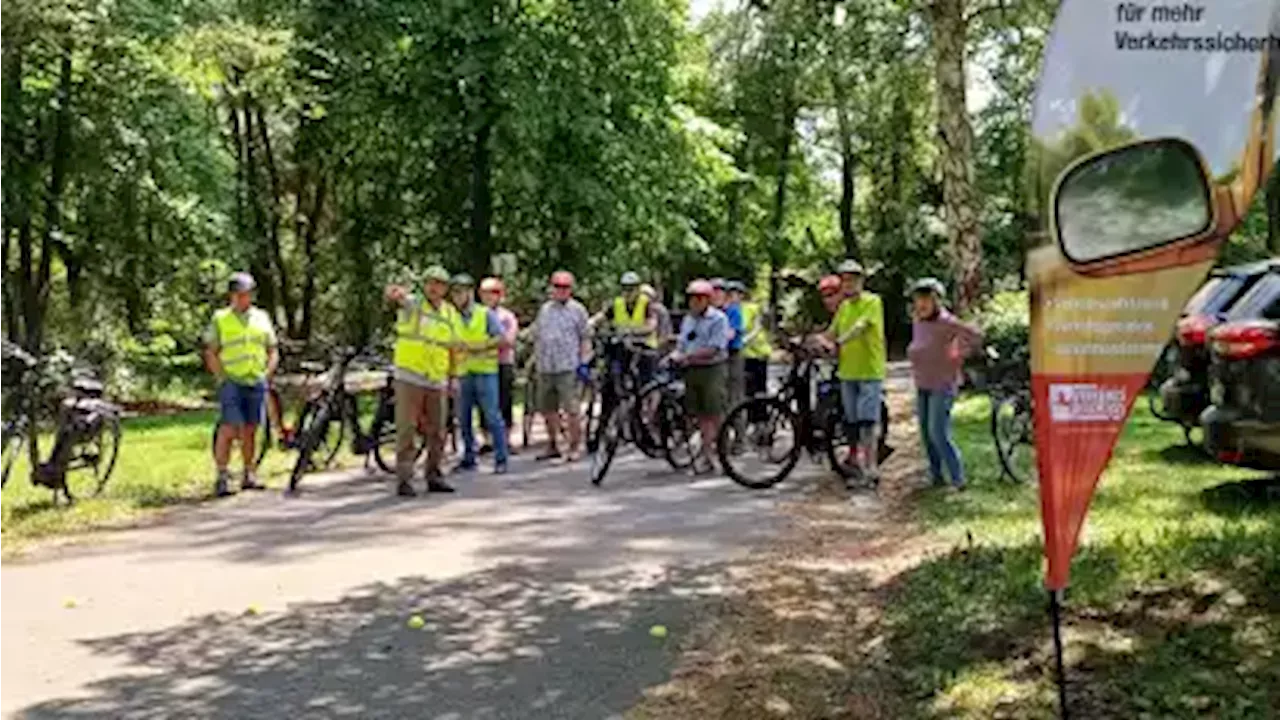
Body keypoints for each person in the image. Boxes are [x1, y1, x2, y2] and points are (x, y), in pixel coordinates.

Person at [385, 266, 458, 497]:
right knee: (407, 428)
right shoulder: (414, 305)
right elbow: (396, 297)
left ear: (445, 289)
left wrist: (453, 377)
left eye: (438, 284)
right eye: (430, 283)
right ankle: (404, 478)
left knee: (437, 430)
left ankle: (434, 474)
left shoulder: (449, 313)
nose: (434, 288)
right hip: (410, 375)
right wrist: (395, 294)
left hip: (436, 378)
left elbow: (452, 348)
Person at [204, 272, 279, 497]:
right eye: (239, 294)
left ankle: (249, 473)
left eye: (247, 294)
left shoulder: (262, 317)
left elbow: (272, 348)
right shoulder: (221, 318)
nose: (243, 298)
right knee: (229, 428)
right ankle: (222, 475)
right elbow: (211, 351)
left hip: (255, 379)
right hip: (232, 380)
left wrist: (267, 372)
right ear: (232, 295)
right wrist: (222, 377)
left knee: (250, 429)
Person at [907, 278, 982, 490]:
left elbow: (974, 336)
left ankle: (958, 479)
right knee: (925, 434)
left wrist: (959, 354)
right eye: (918, 299)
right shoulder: (918, 321)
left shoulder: (947, 322)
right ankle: (936, 477)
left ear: (937, 301)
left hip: (943, 384)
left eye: (926, 299)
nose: (921, 304)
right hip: (922, 383)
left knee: (938, 432)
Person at [825, 259, 887, 485]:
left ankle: (871, 470)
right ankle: (858, 467)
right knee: (851, 422)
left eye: (852, 279)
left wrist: (840, 341)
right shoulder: (843, 307)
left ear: (861, 280)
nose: (848, 284)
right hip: (847, 372)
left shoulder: (873, 301)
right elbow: (831, 332)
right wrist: (817, 342)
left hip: (869, 370)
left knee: (867, 421)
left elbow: (861, 327)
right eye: (844, 280)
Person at [449, 274, 510, 475]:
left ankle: (501, 458)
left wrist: (479, 346)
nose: (457, 296)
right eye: (454, 292)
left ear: (469, 293)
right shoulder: (451, 316)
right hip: (463, 372)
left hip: (485, 371)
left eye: (461, 292)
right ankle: (469, 457)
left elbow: (501, 339)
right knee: (464, 418)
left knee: (492, 416)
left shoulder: (485, 314)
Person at [670, 279, 731, 474]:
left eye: (698, 298)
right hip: (691, 370)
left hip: (712, 369)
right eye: (691, 298)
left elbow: (715, 348)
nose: (693, 302)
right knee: (701, 415)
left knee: (715, 412)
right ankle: (706, 455)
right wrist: (674, 355)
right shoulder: (689, 319)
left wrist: (687, 356)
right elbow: (682, 342)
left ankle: (722, 450)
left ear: (707, 300)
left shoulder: (718, 319)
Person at [533, 270, 591, 462]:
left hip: (568, 366)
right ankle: (552, 444)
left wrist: (584, 363)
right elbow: (538, 335)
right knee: (547, 408)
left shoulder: (578, 310)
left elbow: (585, 338)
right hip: (546, 366)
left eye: (565, 287)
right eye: (557, 286)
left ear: (571, 289)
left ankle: (574, 446)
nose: (561, 290)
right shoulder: (545, 309)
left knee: (571, 409)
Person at [478, 277, 519, 456]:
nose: (489, 296)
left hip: (503, 363)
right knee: (483, 403)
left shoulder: (507, 316)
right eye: (486, 292)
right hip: (481, 364)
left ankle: (506, 439)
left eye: (494, 292)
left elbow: (509, 340)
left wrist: (484, 343)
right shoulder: (475, 315)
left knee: (504, 401)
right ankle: (486, 440)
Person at [740, 284, 772, 408]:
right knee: (749, 388)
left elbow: (757, 326)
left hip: (757, 352)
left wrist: (745, 339)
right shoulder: (732, 310)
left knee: (758, 388)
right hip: (746, 353)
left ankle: (760, 418)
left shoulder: (752, 308)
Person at [640, 283, 674, 350]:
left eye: (647, 295)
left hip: (656, 347)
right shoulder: (638, 310)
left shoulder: (660, 310)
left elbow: (665, 332)